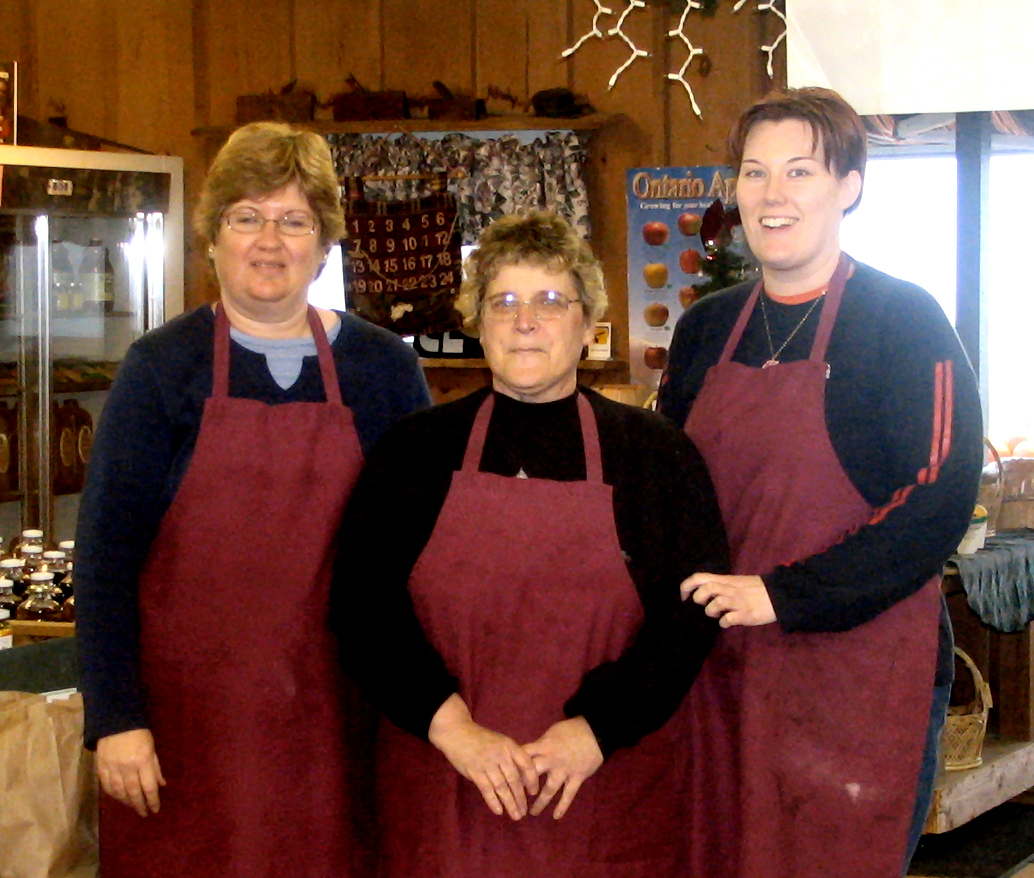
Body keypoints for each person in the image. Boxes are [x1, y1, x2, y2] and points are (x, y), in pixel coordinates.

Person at [75, 121, 431, 878]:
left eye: (294, 220)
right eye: (247, 217)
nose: (269, 241)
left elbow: (421, 555)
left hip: (338, 723)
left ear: (324, 244)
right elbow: (105, 561)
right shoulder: (159, 369)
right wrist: (115, 718)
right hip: (181, 732)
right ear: (213, 238)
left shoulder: (384, 370)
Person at [331, 211, 728, 878]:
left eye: (549, 300)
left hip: (603, 793)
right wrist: (453, 728)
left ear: (587, 322)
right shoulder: (413, 452)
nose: (525, 321)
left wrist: (597, 729)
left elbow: (689, 618)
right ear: (478, 322)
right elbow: (362, 609)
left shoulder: (658, 456)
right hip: (446, 790)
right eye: (503, 301)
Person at [658, 87, 984, 877]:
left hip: (859, 673)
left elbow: (939, 495)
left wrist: (783, 595)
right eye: (755, 172)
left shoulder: (902, 320)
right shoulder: (706, 328)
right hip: (721, 667)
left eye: (800, 171)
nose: (773, 194)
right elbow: (664, 484)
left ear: (849, 186)